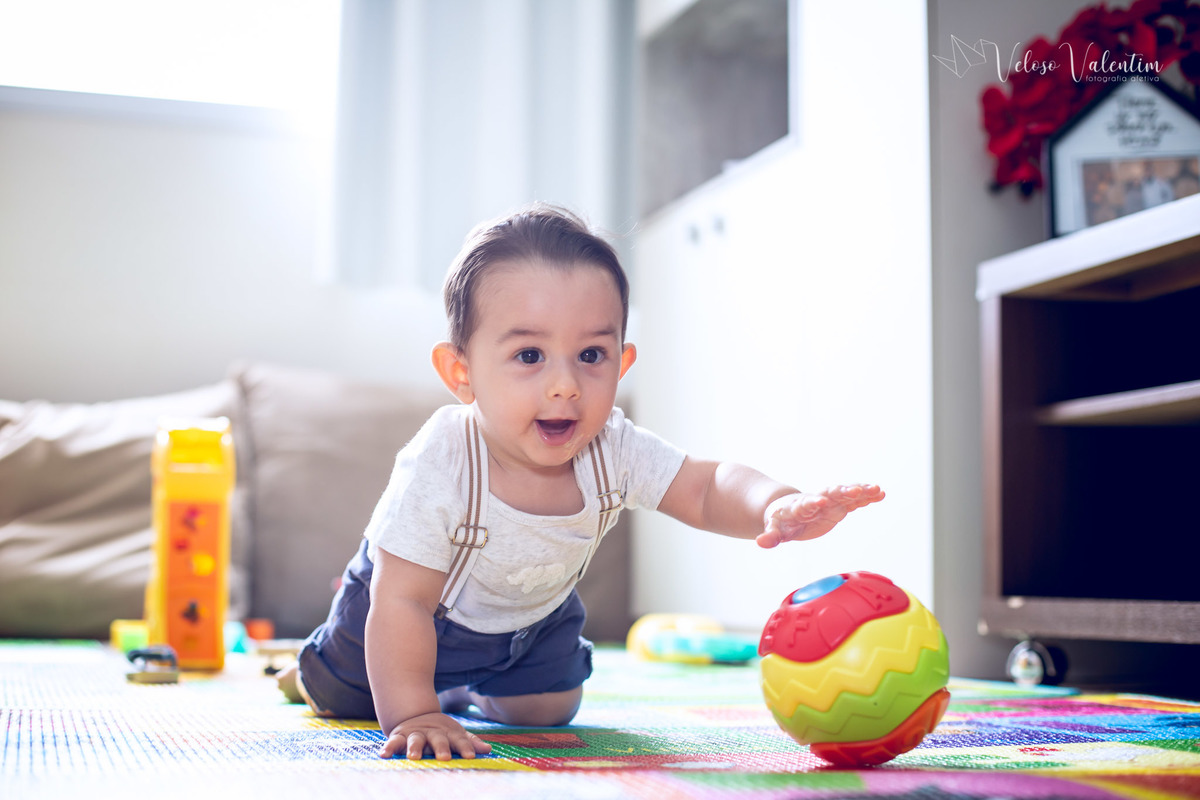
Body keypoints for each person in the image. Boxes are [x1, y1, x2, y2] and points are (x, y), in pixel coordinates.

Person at [277, 203, 884, 762]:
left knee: (548, 711)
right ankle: (305, 671)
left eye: (590, 356)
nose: (565, 384)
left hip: (532, 619)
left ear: (621, 363)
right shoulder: (443, 458)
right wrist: (415, 714)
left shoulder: (613, 446)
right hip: (405, 612)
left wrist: (776, 504)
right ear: (461, 372)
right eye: (529, 357)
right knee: (345, 692)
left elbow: (703, 486)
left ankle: (462, 686)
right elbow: (402, 599)